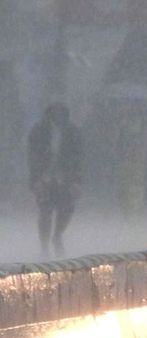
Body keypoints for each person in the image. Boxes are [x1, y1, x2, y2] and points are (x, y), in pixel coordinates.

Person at [28, 103, 83, 258]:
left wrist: (77, 180)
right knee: (45, 211)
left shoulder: (73, 132)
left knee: (66, 209)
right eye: (54, 111)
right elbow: (32, 157)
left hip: (66, 178)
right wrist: (36, 179)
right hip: (44, 177)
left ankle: (57, 235)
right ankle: (44, 245)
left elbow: (78, 158)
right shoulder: (38, 131)